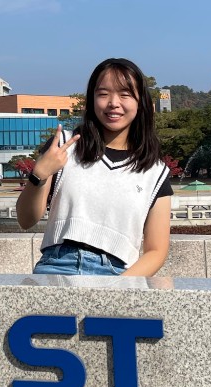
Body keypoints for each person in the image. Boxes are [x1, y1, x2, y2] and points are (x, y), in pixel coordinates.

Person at [16, 58, 173, 276]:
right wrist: (39, 175)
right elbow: (26, 220)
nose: (113, 103)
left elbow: (156, 250)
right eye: (103, 94)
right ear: (91, 100)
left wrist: (120, 287)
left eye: (125, 94)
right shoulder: (63, 147)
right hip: (56, 265)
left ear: (141, 102)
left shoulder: (155, 172)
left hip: (117, 273)